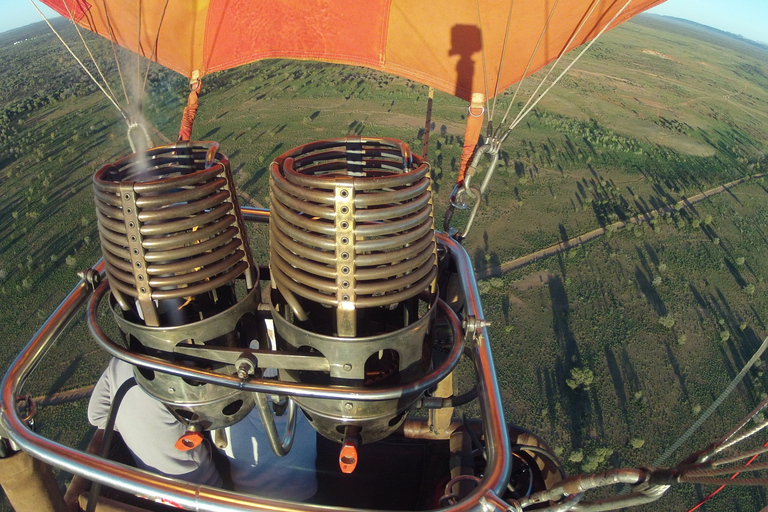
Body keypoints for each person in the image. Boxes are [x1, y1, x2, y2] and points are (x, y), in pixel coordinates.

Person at [64, 358, 221, 511]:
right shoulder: (180, 371)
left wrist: (134, 422)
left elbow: (96, 415)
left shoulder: (120, 361)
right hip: (204, 491)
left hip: (154, 494)